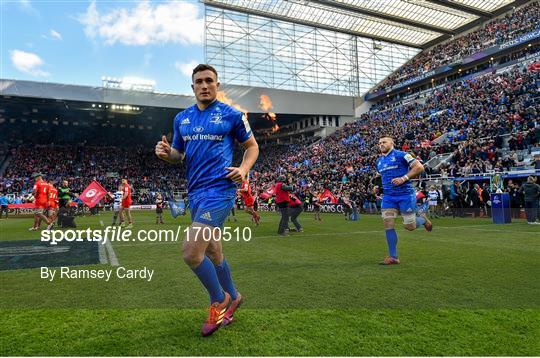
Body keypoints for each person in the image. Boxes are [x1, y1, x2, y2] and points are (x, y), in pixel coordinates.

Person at [155, 64, 259, 337]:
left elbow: (252, 147)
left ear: (217, 85)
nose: (204, 85)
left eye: (209, 81)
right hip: (196, 193)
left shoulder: (232, 115)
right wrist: (166, 154)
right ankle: (234, 296)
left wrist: (243, 169)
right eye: (199, 81)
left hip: (220, 190)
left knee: (191, 252)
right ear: (192, 87)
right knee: (213, 252)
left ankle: (219, 300)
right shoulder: (182, 119)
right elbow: (179, 155)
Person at [376, 136, 432, 265]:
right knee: (388, 224)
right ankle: (393, 257)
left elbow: (419, 167)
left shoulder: (402, 155)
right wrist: (377, 186)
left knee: (409, 226)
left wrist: (403, 178)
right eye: (379, 143)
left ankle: (422, 219)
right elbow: (380, 176)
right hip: (388, 197)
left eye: (384, 142)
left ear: (392, 143)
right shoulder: (379, 161)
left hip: (405, 195)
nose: (381, 144)